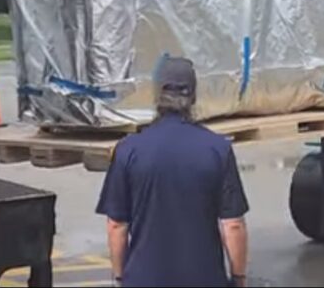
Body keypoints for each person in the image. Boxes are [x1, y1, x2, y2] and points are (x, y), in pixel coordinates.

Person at [96, 57, 250, 288]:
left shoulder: (129, 150)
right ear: (193, 97)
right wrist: (238, 279)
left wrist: (120, 278)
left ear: (157, 97)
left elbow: (116, 225)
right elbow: (233, 224)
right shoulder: (218, 149)